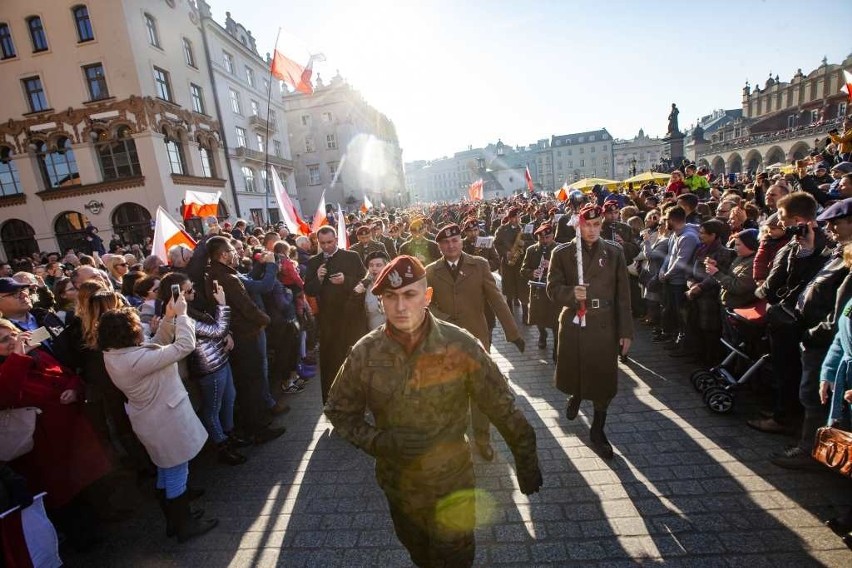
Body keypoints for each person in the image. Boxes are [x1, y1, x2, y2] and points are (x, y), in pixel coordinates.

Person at [325, 255, 542, 568]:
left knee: (457, 557)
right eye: (390, 297)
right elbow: (338, 411)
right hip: (399, 486)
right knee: (420, 555)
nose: (400, 307)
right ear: (381, 301)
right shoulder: (365, 351)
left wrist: (526, 460)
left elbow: (501, 405)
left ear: (426, 297)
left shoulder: (461, 344)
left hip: (452, 482)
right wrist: (379, 442)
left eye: (409, 295)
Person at [100, 298, 218, 543]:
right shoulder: (134, 360)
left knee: (166, 469)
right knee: (176, 470)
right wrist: (183, 316)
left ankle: (174, 521)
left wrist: (168, 318)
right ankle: (185, 524)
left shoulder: (117, 354)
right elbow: (184, 346)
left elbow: (155, 345)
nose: (141, 328)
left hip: (153, 420)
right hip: (165, 420)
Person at [0, 319, 114, 551]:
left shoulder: (38, 354)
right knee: (61, 494)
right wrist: (18, 358)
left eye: (13, 334)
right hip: (43, 445)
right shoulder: (12, 365)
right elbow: (5, 396)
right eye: (4, 340)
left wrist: (74, 388)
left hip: (72, 433)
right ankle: (77, 538)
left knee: (85, 482)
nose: (13, 341)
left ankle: (98, 524)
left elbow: (67, 374)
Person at [426, 224, 525, 461]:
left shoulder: (479, 265)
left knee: (480, 392)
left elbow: (496, 299)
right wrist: (445, 319)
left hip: (477, 339)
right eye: (445, 242)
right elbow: (426, 304)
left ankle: (483, 438)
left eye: (455, 240)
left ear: (461, 241)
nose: (451, 245)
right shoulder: (430, 270)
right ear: (439, 246)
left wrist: (514, 333)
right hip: (445, 339)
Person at [547, 204, 633, 459]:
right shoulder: (562, 253)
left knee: (604, 379)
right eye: (587, 225)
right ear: (578, 225)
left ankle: (598, 428)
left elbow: (623, 296)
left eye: (597, 225)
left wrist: (626, 331)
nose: (592, 230)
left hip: (604, 324)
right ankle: (577, 394)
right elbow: (552, 289)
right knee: (577, 369)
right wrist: (571, 293)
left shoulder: (614, 252)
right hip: (575, 323)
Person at [206, 236, 285, 444]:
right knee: (252, 382)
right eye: (232, 250)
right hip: (246, 336)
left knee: (250, 382)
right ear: (223, 255)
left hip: (239, 335)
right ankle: (257, 428)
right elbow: (246, 306)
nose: (236, 254)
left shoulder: (217, 273)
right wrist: (265, 319)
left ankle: (258, 422)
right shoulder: (227, 278)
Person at [304, 226, 366, 404]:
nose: (326, 247)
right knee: (331, 363)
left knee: (354, 360)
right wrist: (318, 278)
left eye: (329, 242)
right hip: (328, 321)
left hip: (351, 318)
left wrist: (346, 280)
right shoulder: (314, 261)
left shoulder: (351, 256)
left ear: (336, 239)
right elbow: (309, 289)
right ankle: (333, 402)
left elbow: (365, 280)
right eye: (322, 243)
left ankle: (359, 401)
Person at [520, 222, 559, 353]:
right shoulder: (531, 250)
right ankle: (542, 335)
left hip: (554, 290)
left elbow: (567, 271)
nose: (544, 241)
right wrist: (532, 273)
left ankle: (556, 342)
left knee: (555, 319)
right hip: (537, 289)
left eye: (547, 237)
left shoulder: (559, 250)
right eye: (541, 238)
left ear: (552, 236)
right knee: (538, 317)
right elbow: (523, 269)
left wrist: (551, 265)